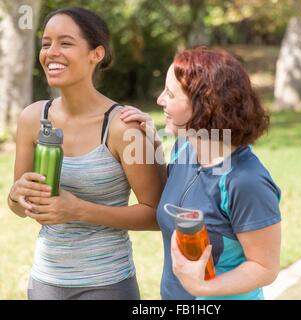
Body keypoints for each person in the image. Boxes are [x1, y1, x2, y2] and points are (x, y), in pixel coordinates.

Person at [7, 7, 165, 300]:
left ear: (97, 54)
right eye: (46, 43)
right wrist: (17, 194)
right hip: (45, 281)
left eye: (65, 43)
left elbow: (156, 216)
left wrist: (79, 209)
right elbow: (18, 207)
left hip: (106, 283)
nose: (51, 52)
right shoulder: (32, 118)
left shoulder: (124, 127)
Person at [120, 47, 282, 300]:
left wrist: (203, 288)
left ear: (204, 104)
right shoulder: (186, 147)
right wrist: (151, 142)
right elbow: (176, 197)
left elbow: (264, 267)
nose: (160, 100)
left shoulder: (245, 180)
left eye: (171, 94)